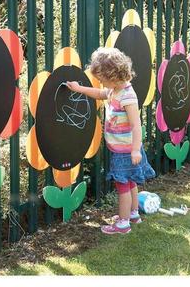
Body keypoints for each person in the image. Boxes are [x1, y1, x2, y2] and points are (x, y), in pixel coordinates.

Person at [66, 47, 156, 234]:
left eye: (102, 79)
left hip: (126, 151)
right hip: (122, 149)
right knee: (131, 182)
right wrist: (79, 88)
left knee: (122, 186)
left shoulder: (127, 96)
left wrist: (135, 150)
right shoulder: (114, 90)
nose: (101, 82)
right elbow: (99, 94)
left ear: (113, 75)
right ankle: (133, 214)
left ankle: (122, 224)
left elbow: (136, 125)